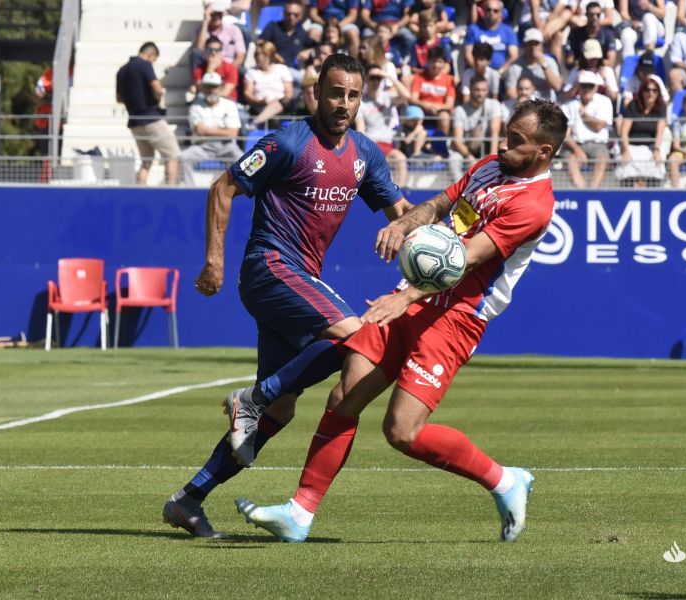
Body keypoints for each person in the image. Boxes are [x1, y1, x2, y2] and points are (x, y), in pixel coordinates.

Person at [232, 99, 569, 544]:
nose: (502, 144)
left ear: (543, 153)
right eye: (506, 133)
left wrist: (404, 296)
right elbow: (438, 205)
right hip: (415, 296)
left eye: (517, 141)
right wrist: (403, 224)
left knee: (401, 431)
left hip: (457, 316)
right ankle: (300, 513)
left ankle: (504, 480)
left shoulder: (534, 206)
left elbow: (465, 260)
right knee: (344, 396)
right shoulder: (490, 165)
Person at [162, 54, 413, 537]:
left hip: (300, 278)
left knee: (282, 409)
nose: (343, 104)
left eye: (353, 95)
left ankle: (189, 499)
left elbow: (400, 210)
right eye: (335, 93)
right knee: (360, 338)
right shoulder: (287, 142)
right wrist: (214, 261)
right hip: (270, 268)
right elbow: (222, 187)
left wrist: (439, 228)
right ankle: (251, 398)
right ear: (315, 93)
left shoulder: (365, 154)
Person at [115, 42, 179, 185]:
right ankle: (172, 191)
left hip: (134, 123)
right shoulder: (144, 64)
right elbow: (157, 88)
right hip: (152, 119)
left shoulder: (121, 71)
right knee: (172, 155)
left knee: (146, 161)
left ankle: (140, 191)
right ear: (150, 55)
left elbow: (119, 98)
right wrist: (157, 99)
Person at [179, 73, 244, 187]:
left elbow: (233, 133)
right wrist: (224, 130)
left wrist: (207, 131)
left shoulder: (229, 105)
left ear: (220, 87)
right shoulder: (195, 107)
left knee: (242, 159)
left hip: (226, 146)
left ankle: (238, 191)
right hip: (203, 147)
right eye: (208, 86)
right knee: (184, 157)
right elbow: (199, 130)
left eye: (214, 86)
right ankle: (190, 192)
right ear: (203, 88)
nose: (211, 90)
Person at [356, 65, 409, 187]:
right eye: (372, 78)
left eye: (378, 78)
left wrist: (389, 76)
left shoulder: (387, 97)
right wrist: (363, 149)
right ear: (366, 79)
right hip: (371, 144)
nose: (375, 81)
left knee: (401, 159)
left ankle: (398, 192)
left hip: (387, 143)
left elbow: (407, 96)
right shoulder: (361, 102)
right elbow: (360, 128)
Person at [560, 70, 613, 188]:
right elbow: (565, 134)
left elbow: (599, 126)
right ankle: (582, 194)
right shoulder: (569, 105)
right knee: (571, 161)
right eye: (584, 85)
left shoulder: (604, 101)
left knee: (602, 160)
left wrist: (584, 114)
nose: (587, 89)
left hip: (598, 145)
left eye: (590, 86)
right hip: (575, 145)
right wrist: (578, 150)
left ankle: (591, 194)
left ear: (596, 87)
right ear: (578, 86)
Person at [615, 78, 667, 187]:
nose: (650, 93)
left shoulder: (661, 108)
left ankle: (653, 194)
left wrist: (656, 150)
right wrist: (625, 151)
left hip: (651, 146)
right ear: (642, 92)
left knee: (657, 162)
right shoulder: (633, 105)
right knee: (625, 164)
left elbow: (660, 132)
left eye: (654, 90)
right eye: (647, 90)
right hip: (631, 145)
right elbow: (624, 131)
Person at [448, 75, 503, 181]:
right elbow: (458, 141)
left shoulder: (494, 104)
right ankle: (458, 193)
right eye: (477, 90)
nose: (480, 93)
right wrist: (470, 158)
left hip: (488, 148)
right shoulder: (460, 110)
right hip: (466, 150)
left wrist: (490, 159)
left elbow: (494, 133)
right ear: (470, 90)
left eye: (483, 90)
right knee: (453, 160)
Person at [258, 0, 316, 82]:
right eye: (289, 14)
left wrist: (307, 53)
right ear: (283, 13)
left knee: (310, 83)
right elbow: (260, 43)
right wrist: (273, 55)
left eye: (295, 15)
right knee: (307, 81)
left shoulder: (301, 32)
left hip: (291, 71)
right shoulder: (273, 27)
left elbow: (314, 47)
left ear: (301, 16)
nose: (291, 17)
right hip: (273, 68)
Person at [504, 27, 563, 102]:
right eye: (530, 44)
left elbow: (557, 86)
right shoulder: (515, 66)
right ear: (524, 45)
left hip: (546, 105)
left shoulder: (550, 62)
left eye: (536, 44)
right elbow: (510, 93)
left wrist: (543, 64)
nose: (533, 47)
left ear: (542, 45)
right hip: (524, 106)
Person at [243, 42, 294, 128]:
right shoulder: (251, 71)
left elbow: (289, 94)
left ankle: (256, 122)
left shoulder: (282, 69)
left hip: (281, 104)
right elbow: (247, 93)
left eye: (260, 54)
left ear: (269, 55)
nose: (257, 57)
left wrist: (275, 101)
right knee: (273, 118)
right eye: (256, 54)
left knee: (281, 105)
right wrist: (260, 101)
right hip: (260, 104)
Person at [410, 46, 456, 138]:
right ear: (428, 62)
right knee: (414, 113)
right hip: (421, 109)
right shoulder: (419, 76)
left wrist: (437, 108)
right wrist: (425, 105)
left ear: (444, 64)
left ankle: (440, 145)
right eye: (433, 61)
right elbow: (413, 98)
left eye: (439, 62)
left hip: (439, 110)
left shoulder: (449, 80)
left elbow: (449, 104)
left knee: (445, 117)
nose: (436, 65)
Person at [463, 0, 519, 75]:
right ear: (483, 11)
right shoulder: (473, 29)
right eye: (488, 10)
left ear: (501, 13)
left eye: (495, 11)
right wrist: (479, 72)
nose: (491, 13)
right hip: (477, 72)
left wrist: (501, 71)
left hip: (501, 72)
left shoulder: (508, 31)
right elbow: (468, 55)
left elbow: (514, 56)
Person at [561, 39, 619, 104]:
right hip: (579, 109)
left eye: (595, 58)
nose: (593, 61)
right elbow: (566, 97)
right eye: (590, 58)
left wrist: (605, 80)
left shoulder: (607, 71)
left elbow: (614, 97)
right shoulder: (576, 71)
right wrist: (577, 82)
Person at [566, 1, 617, 68]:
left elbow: (611, 62)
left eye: (598, 15)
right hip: (580, 69)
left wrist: (594, 63)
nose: (594, 17)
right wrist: (585, 64)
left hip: (602, 69)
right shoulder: (575, 34)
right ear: (586, 14)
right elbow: (569, 62)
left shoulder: (607, 34)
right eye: (591, 14)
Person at [195, 0, 247, 67]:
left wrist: (229, 71)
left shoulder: (233, 30)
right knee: (194, 54)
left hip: (230, 67)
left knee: (243, 71)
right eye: (213, 14)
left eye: (219, 13)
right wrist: (205, 21)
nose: (216, 16)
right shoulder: (202, 31)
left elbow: (240, 56)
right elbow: (199, 50)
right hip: (208, 67)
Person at [190, 36, 239, 102]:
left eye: (217, 50)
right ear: (205, 52)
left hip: (227, 101)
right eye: (209, 50)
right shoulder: (199, 69)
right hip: (207, 101)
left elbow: (225, 93)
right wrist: (210, 70)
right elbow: (203, 90)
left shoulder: (231, 68)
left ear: (221, 52)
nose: (213, 53)